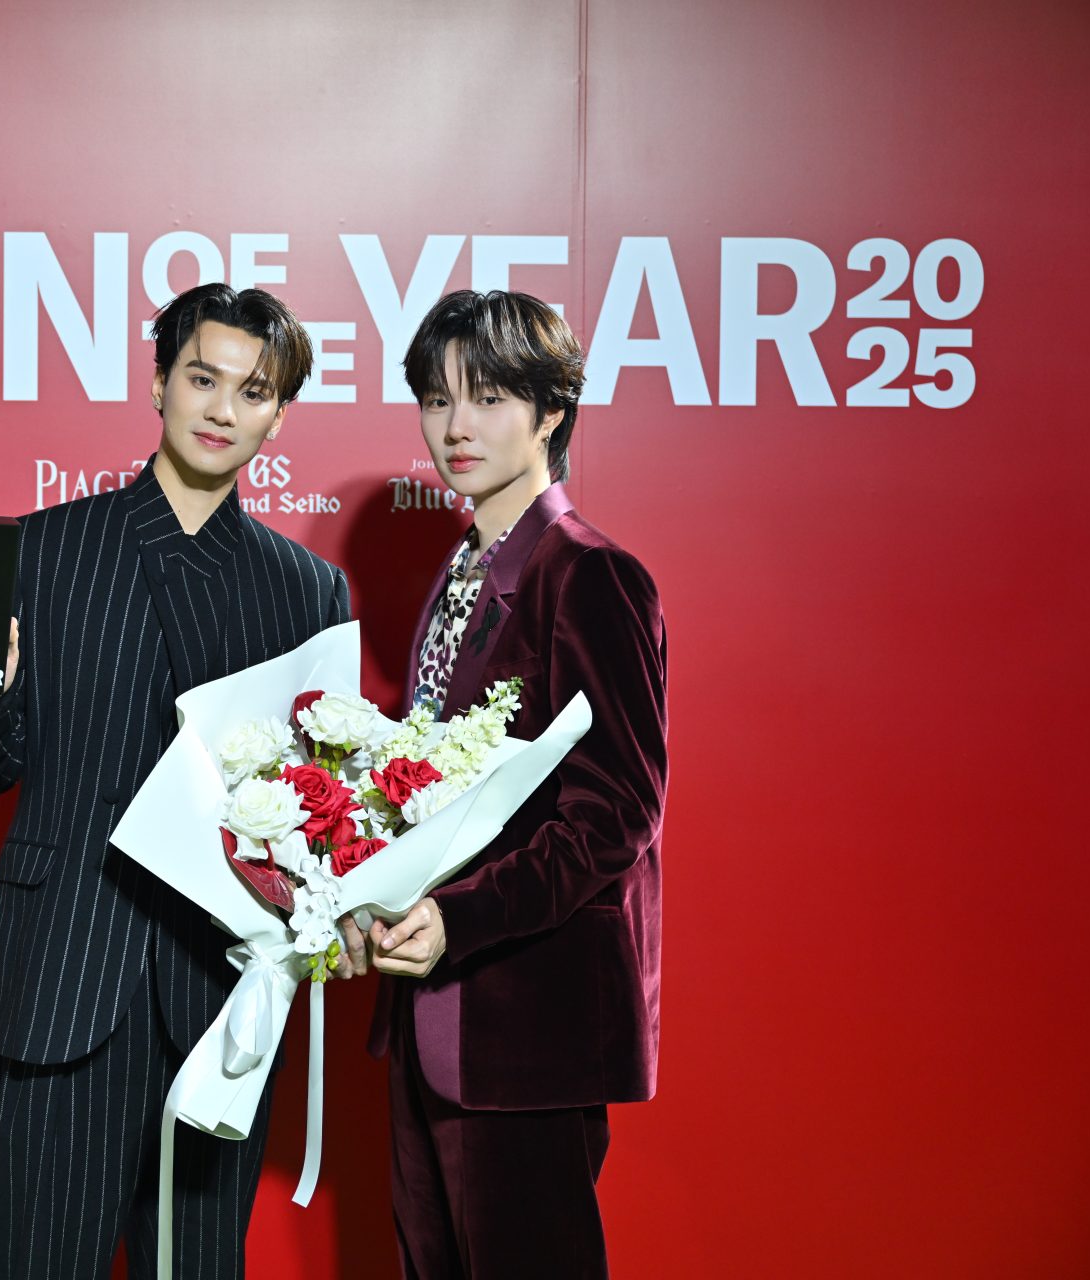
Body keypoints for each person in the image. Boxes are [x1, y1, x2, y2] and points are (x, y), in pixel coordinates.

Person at [0, 283, 351, 1280]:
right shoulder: (40, 550)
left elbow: (316, 811)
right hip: (62, 979)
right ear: (159, 383)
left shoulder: (307, 590)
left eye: (253, 392)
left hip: (220, 1000)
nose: (221, 408)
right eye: (202, 378)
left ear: (280, 416)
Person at [334, 289, 667, 1277]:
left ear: (551, 410)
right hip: (425, 1011)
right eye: (437, 400)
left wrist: (457, 919)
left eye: (487, 398)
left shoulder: (589, 573)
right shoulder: (460, 575)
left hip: (527, 1025)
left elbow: (616, 812)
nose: (456, 427)